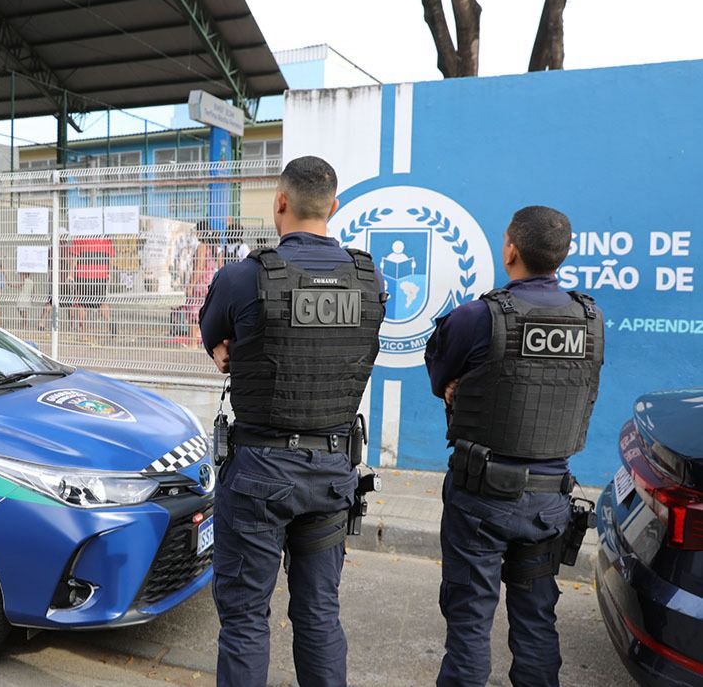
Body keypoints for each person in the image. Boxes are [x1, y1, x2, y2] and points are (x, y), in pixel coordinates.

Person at [200, 156, 386, 687]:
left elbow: (211, 329)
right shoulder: (370, 277)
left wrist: (223, 346)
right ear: (335, 206)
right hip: (332, 469)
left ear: (279, 202)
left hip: (260, 471)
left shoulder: (242, 277)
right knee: (319, 615)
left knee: (243, 621)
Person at [426, 206, 604, 687]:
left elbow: (440, 376)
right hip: (550, 502)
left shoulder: (476, 317)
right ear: (561, 257)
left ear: (510, 250)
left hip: (481, 500)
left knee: (468, 628)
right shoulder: (590, 319)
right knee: (536, 625)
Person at [70, 235, 116, 336]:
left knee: (82, 303)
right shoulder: (105, 238)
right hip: (101, 274)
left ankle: (82, 330)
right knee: (102, 302)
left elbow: (74, 256)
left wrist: (71, 273)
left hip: (83, 274)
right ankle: (109, 323)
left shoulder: (80, 236)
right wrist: (109, 272)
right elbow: (111, 257)